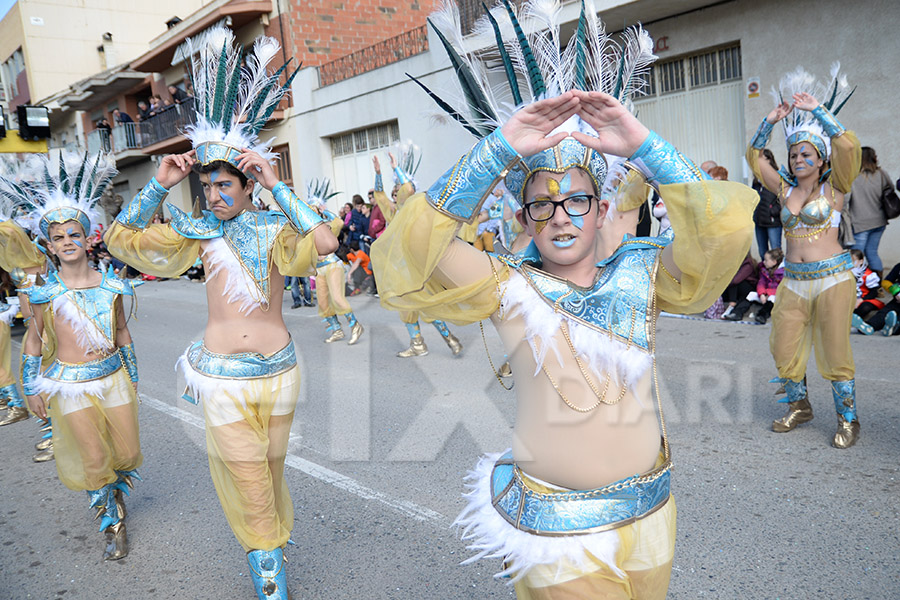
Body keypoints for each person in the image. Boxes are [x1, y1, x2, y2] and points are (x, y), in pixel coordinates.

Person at [373, 4, 757, 597]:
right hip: (559, 537)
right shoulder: (506, 284)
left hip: (652, 514)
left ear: (601, 210)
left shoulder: (643, 272)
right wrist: (498, 150)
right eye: (543, 205)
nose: (560, 216)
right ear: (525, 218)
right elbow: (410, 249)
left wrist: (644, 148)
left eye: (576, 201)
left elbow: (722, 235)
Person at [104, 26, 335, 599]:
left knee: (272, 473)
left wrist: (276, 185)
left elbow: (325, 242)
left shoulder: (277, 228)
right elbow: (121, 240)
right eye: (206, 185)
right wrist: (159, 187)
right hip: (223, 379)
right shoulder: (197, 234)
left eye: (223, 183)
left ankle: (270, 545)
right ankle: (270, 578)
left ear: (246, 183)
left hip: (279, 372)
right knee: (249, 478)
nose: (212, 194)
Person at [2, 151, 143, 560]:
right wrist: (32, 388)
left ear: (87, 238)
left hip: (113, 377)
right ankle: (111, 519)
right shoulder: (44, 294)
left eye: (73, 234)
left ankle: (115, 490)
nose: (67, 242)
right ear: (49, 245)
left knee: (128, 452)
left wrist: (132, 377)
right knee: (94, 455)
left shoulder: (113, 287)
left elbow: (121, 332)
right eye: (58, 237)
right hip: (70, 385)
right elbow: (33, 341)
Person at [747, 62, 862, 448]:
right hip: (794, 280)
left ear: (822, 158)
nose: (798, 159)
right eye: (794, 153)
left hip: (833, 279)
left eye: (807, 153)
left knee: (834, 349)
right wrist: (770, 120)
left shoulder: (836, 188)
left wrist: (818, 112)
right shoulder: (783, 189)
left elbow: (848, 146)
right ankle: (800, 406)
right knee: (784, 345)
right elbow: (755, 157)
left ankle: (848, 419)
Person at [370, 152, 463, 358]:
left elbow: (409, 188)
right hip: (400, 266)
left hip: (414, 265)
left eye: (397, 190)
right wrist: (377, 173)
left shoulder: (412, 210)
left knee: (424, 303)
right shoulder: (392, 213)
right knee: (408, 306)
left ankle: (446, 338)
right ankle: (423, 343)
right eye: (394, 192)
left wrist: (395, 169)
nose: (394, 194)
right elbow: (379, 196)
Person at [306, 180, 365, 344]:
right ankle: (337, 330)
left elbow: (340, 222)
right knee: (323, 302)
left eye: (314, 209)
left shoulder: (327, 226)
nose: (311, 212)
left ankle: (355, 326)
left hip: (332, 265)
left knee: (338, 299)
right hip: (319, 269)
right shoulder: (307, 230)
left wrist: (325, 211)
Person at [848, 147, 894, 277]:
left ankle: (856, 286)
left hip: (860, 223)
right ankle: (877, 285)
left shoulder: (852, 176)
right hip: (879, 221)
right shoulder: (881, 174)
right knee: (872, 252)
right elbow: (890, 190)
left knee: (856, 255)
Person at [725, 248, 785, 323]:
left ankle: (762, 315)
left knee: (772, 299)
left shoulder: (783, 273)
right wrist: (762, 293)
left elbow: (781, 288)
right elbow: (761, 283)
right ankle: (737, 313)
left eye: (766, 260)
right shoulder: (764, 270)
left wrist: (768, 293)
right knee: (750, 295)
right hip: (764, 295)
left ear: (774, 262)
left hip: (775, 295)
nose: (764, 262)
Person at [753, 148, 783, 255]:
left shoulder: (777, 177)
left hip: (772, 221)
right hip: (759, 220)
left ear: (770, 160)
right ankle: (764, 272)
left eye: (763, 159)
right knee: (762, 252)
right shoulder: (756, 180)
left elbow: (783, 197)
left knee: (775, 251)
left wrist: (774, 212)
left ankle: (777, 272)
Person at [849, 249, 883, 335]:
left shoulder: (868, 275)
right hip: (848, 297)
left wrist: (861, 299)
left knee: (864, 307)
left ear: (861, 261)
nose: (850, 264)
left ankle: (855, 323)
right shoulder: (845, 273)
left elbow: (874, 292)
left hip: (865, 298)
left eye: (853, 261)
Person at [721, 251, 758, 319]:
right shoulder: (736, 262)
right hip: (738, 290)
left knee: (734, 281)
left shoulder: (748, 264)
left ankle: (732, 304)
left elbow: (735, 281)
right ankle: (733, 308)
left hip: (748, 288)